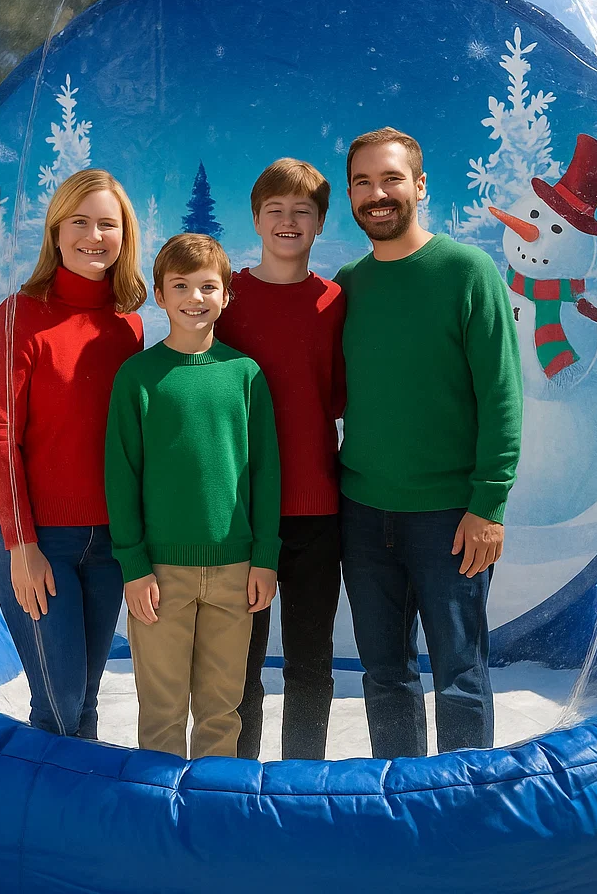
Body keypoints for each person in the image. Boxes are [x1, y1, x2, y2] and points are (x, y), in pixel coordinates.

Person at [335, 127, 523, 758]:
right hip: (363, 515)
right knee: (385, 675)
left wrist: (488, 504)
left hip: (450, 517)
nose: (377, 194)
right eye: (362, 182)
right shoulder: (349, 284)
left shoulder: (468, 272)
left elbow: (501, 395)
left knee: (461, 677)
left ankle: (466, 803)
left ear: (419, 186)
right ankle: (401, 798)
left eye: (391, 179)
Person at [0, 168, 147, 738]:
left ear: (124, 236)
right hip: (40, 541)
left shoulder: (128, 327)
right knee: (59, 701)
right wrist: (21, 543)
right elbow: (0, 437)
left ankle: (84, 797)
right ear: (55, 232)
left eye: (108, 224)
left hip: (109, 543)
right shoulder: (19, 316)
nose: (93, 236)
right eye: (79, 222)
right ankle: (34, 799)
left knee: (87, 702)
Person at [105, 233, 282, 759]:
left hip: (235, 571)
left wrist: (265, 558)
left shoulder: (245, 375)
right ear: (160, 294)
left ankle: (213, 804)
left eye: (207, 286)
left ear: (226, 295)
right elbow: (121, 476)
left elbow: (265, 473)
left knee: (221, 710)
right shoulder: (138, 377)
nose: (194, 297)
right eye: (180, 285)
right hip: (160, 576)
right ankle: (159, 807)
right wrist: (134, 566)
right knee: (161, 711)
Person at [215, 158, 346, 760]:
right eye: (276, 210)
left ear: (320, 222)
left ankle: (303, 777)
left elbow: (339, 395)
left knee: (310, 662)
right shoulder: (227, 299)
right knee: (240, 662)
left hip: (316, 508)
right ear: (256, 219)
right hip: (241, 513)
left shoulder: (335, 302)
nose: (288, 221)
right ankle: (238, 777)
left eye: (302, 211)